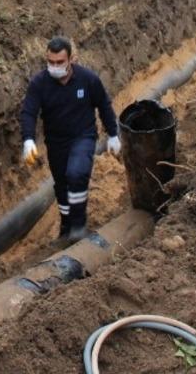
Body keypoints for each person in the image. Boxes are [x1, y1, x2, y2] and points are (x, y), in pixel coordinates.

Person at [19, 36, 121, 242]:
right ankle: (66, 225)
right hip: (56, 141)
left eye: (59, 62)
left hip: (83, 136)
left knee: (76, 173)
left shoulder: (88, 79)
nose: (54, 67)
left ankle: (78, 223)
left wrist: (112, 134)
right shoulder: (40, 84)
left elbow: (103, 104)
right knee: (62, 184)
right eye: (51, 62)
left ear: (71, 60)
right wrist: (28, 139)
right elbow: (28, 112)